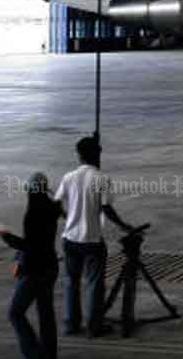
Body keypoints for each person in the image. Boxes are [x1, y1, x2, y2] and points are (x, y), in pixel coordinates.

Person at [53, 136, 134, 338]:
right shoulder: (102, 179)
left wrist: (68, 216)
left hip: (70, 239)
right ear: (97, 154)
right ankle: (94, 326)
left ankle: (71, 324)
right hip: (92, 241)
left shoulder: (68, 177)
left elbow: (56, 204)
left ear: (78, 155)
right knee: (94, 284)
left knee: (72, 281)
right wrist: (125, 227)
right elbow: (106, 209)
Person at [0, 172, 60, 359]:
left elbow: (30, 247)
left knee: (15, 313)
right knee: (46, 316)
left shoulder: (33, 214)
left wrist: (7, 237)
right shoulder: (52, 209)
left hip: (35, 271)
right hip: (50, 267)